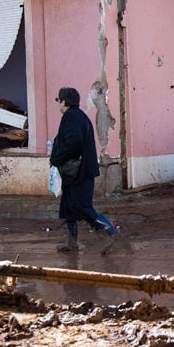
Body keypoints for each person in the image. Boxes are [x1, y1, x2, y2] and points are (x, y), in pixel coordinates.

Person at [50, 87, 118, 252]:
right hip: (80, 170)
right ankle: (71, 242)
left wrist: (56, 158)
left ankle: (109, 229)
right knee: (68, 205)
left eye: (59, 100)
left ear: (64, 101)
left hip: (78, 172)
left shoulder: (71, 116)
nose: (58, 103)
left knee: (80, 205)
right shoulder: (79, 116)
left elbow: (74, 141)